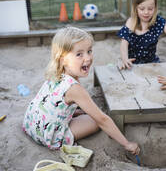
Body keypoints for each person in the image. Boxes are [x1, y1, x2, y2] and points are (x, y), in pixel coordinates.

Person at [23, 26, 140, 155]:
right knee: (94, 121)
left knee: (82, 111)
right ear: (63, 59)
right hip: (49, 136)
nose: (88, 58)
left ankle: (72, 114)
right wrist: (127, 143)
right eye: (79, 54)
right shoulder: (74, 88)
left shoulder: (56, 73)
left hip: (31, 124)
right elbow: (102, 120)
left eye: (89, 51)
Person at [118, 0, 166, 70]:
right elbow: (124, 43)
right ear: (136, 8)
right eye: (142, 8)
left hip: (152, 63)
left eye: (150, 9)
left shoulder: (158, 22)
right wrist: (124, 59)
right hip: (132, 64)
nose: (146, 12)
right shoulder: (131, 22)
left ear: (155, 8)